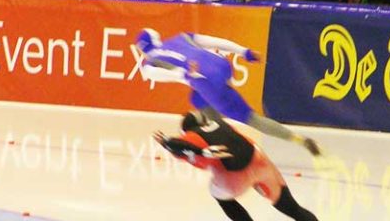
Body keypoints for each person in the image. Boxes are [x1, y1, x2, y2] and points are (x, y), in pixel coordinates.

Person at [153, 110, 353, 221]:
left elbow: (178, 144)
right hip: (259, 161)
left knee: (218, 194)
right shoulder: (220, 123)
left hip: (234, 176)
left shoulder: (192, 136)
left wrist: (177, 145)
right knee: (292, 208)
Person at [135, 28, 323, 160]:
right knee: (196, 98)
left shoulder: (150, 60)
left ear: (142, 49)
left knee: (252, 119)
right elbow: (214, 41)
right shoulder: (181, 37)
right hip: (221, 64)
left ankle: (299, 140)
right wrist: (244, 51)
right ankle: (226, 135)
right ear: (157, 38)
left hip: (204, 79)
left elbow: (151, 73)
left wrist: (182, 74)